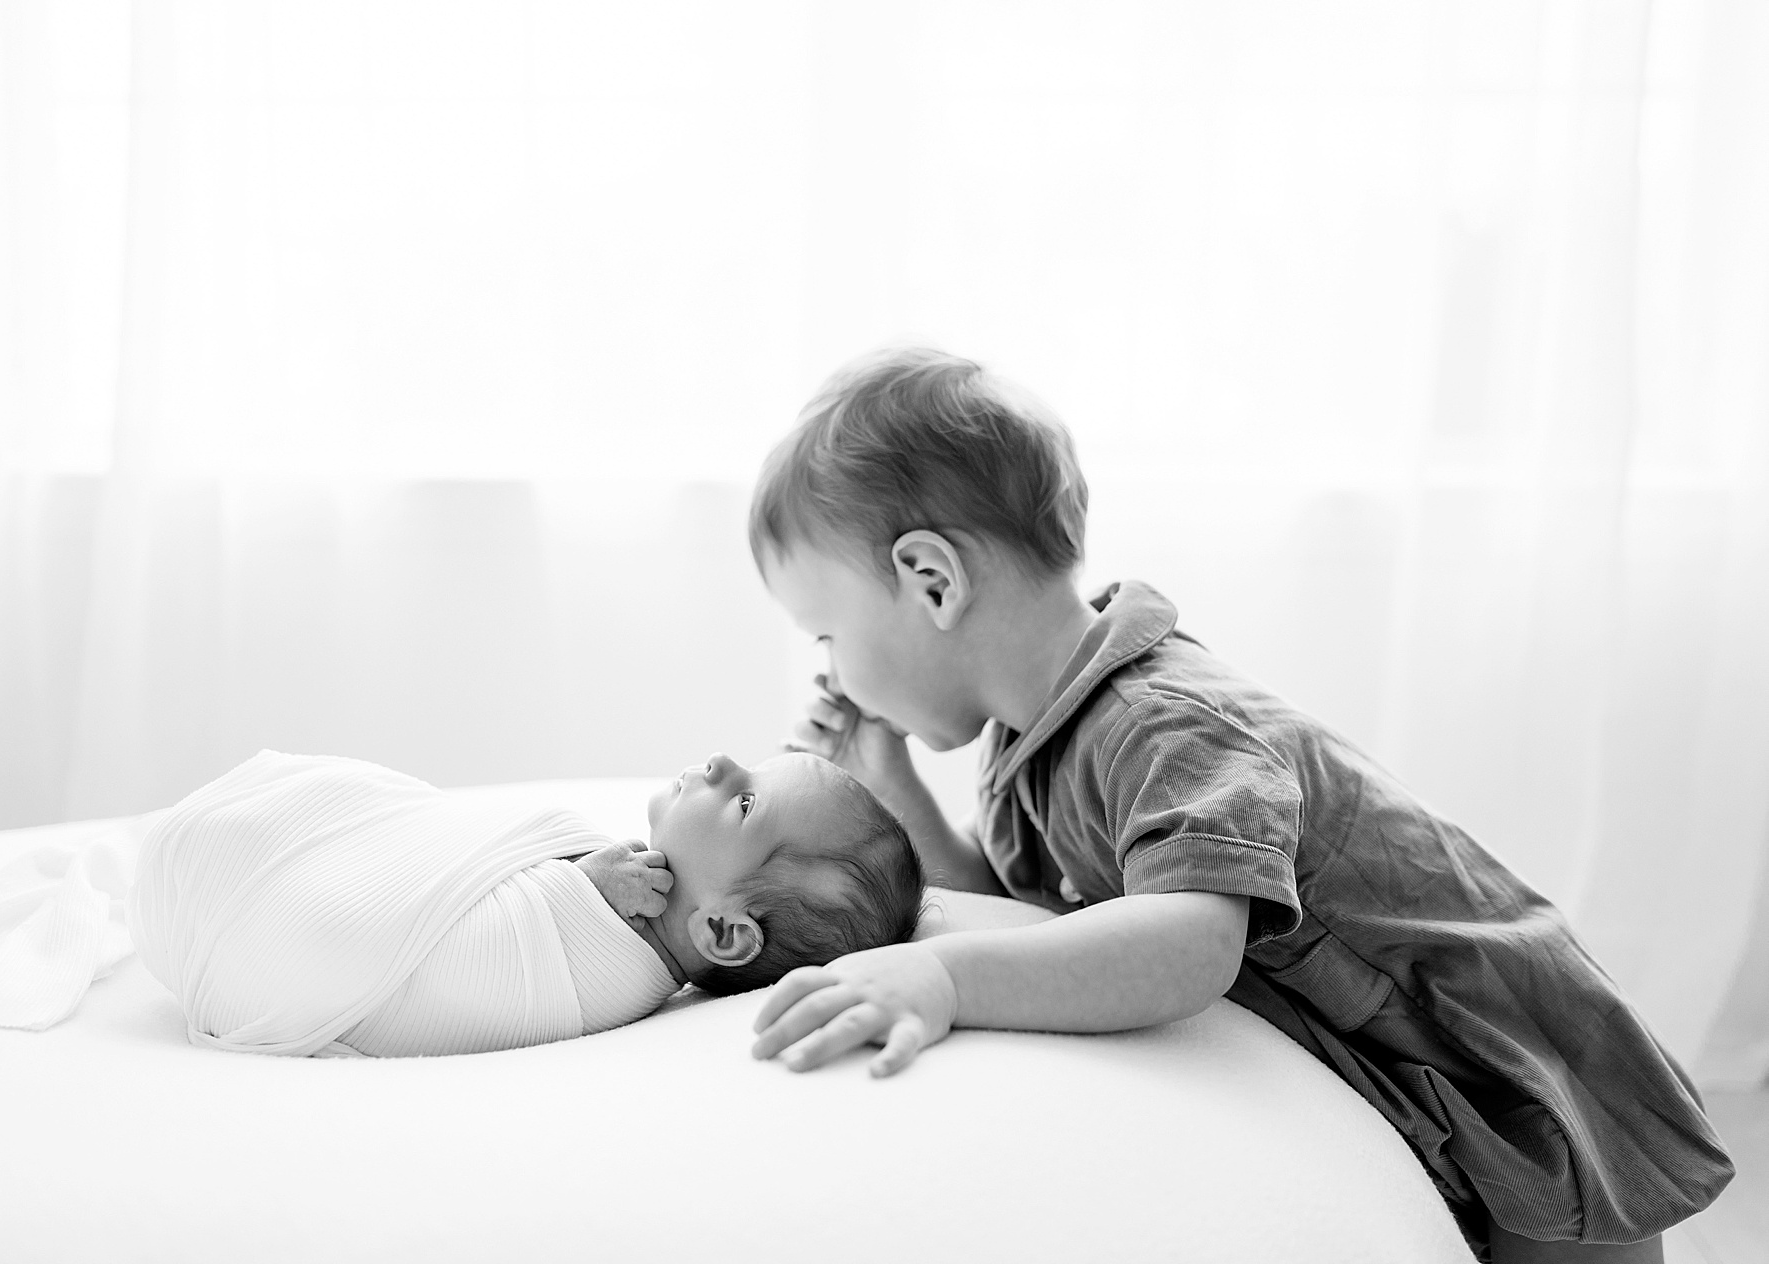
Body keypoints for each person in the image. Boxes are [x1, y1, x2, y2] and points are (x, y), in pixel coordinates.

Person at [741, 346, 1732, 1262]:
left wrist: (944, 979)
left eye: (823, 633)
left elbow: (1185, 942)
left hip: (1495, 1063)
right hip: (1404, 1073)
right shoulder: (1030, 739)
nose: (827, 668)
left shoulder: (1159, 721)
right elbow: (1028, 917)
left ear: (928, 578)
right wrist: (893, 784)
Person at [117, 747, 922, 1057]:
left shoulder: (609, 959)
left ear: (722, 930)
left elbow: (480, 970)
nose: (718, 765)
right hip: (260, 931)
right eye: (743, 766)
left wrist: (574, 886)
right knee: (383, 798)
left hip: (275, 938)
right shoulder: (639, 908)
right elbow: (457, 847)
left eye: (745, 804)